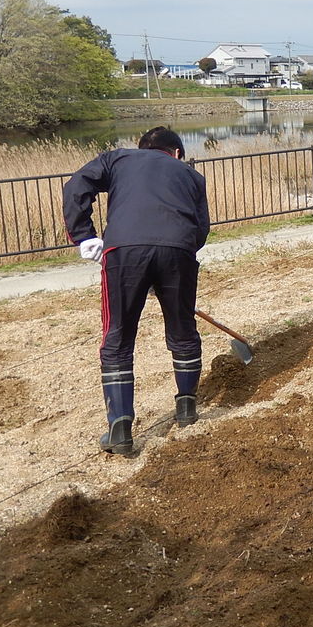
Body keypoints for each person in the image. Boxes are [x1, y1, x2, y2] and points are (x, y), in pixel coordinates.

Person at [62, 126, 210, 455]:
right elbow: (200, 230)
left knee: (117, 336)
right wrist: (174, 260)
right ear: (176, 153)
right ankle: (186, 409)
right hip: (178, 251)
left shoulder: (117, 159)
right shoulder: (191, 176)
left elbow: (76, 188)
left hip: (124, 252)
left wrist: (84, 235)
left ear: (140, 147)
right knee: (183, 329)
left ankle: (120, 427)